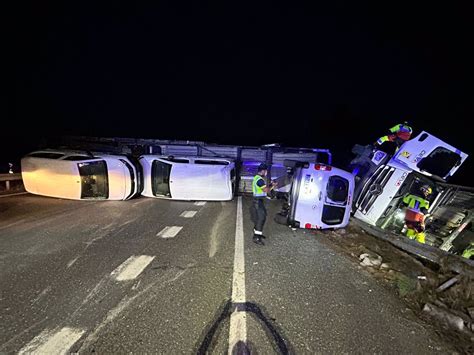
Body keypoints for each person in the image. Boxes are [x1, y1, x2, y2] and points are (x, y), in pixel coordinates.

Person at [250, 163, 277, 245]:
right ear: (263, 171)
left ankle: (258, 234)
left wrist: (271, 185)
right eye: (266, 171)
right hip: (258, 201)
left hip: (258, 201)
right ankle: (256, 238)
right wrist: (273, 185)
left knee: (260, 217)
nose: (266, 173)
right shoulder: (260, 180)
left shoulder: (257, 178)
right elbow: (266, 190)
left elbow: (263, 188)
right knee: (261, 218)